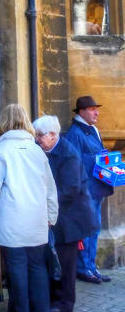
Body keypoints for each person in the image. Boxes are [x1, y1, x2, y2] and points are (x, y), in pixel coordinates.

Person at [0, 103, 58, 312]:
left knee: (15, 266)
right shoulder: (37, 150)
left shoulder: (0, 149)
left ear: (3, 122)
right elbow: (50, 188)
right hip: (37, 219)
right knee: (37, 266)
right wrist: (51, 217)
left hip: (11, 218)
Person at [33, 115, 97, 312]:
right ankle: (55, 298)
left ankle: (65, 303)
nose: (37, 139)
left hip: (71, 218)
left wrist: (45, 204)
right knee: (55, 260)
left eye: (40, 136)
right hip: (58, 216)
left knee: (66, 263)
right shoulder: (45, 150)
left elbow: (70, 190)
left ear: (53, 135)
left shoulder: (68, 154)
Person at [63, 96, 112, 283]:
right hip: (85, 192)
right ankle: (83, 268)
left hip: (97, 189)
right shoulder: (75, 133)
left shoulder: (94, 130)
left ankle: (91, 266)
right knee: (86, 230)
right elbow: (72, 165)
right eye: (92, 109)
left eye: (96, 109)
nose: (97, 112)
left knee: (95, 229)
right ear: (82, 112)